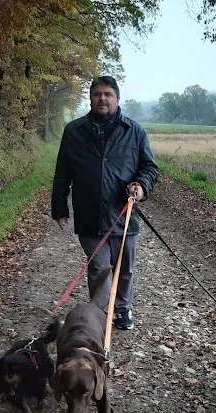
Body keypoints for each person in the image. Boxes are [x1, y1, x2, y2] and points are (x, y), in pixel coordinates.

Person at [51, 75, 159, 330]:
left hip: (124, 214)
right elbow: (62, 172)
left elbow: (150, 168)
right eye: (97, 94)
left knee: (125, 269)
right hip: (89, 214)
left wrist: (140, 186)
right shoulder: (74, 131)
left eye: (107, 94)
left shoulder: (134, 131)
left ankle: (122, 309)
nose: (102, 98)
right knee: (99, 267)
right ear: (90, 99)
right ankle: (98, 314)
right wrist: (59, 207)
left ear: (117, 99)